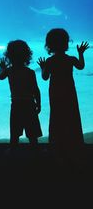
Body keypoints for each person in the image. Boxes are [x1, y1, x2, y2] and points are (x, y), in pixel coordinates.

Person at [37, 28, 89, 164]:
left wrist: (43, 67)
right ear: (66, 43)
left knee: (57, 116)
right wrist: (81, 53)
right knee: (72, 115)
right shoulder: (70, 59)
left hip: (55, 92)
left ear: (49, 45)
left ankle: (56, 146)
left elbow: (44, 77)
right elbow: (81, 66)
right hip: (69, 92)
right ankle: (74, 145)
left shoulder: (49, 61)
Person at [0, 39, 43, 153]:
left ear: (9, 56)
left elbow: (0, 76)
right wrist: (39, 103)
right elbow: (36, 89)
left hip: (16, 104)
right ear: (27, 56)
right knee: (32, 130)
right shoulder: (29, 72)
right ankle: (35, 149)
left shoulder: (9, 71)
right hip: (29, 104)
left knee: (15, 129)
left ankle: (13, 148)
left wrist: (2, 67)